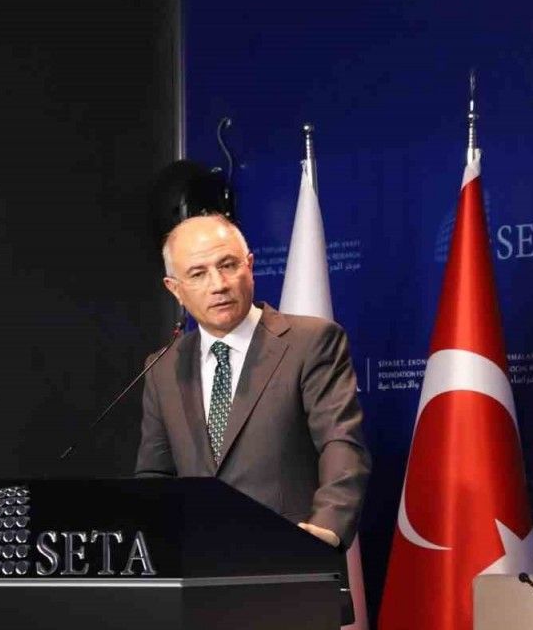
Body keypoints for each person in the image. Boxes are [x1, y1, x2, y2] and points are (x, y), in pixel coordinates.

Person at [135, 214, 370, 550]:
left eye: (228, 265)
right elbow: (156, 474)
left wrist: (326, 529)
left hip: (291, 555)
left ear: (250, 266)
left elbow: (341, 442)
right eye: (198, 274)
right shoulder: (163, 367)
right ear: (175, 289)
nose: (218, 284)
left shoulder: (311, 342)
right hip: (199, 562)